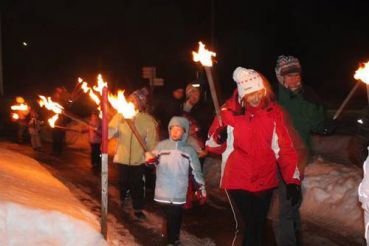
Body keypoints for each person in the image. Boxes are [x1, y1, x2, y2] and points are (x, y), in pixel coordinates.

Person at [206, 67, 301, 246]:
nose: (256, 98)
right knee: (248, 227)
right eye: (250, 95)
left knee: (257, 227)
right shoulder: (228, 113)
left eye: (258, 93)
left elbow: (284, 149)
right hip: (237, 179)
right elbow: (211, 146)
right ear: (242, 96)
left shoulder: (273, 114)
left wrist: (292, 181)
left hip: (265, 180)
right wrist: (219, 137)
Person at [273, 55, 331, 246]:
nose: (294, 79)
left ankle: (295, 233)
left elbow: (317, 123)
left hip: (301, 155)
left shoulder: (309, 94)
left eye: (296, 74)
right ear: (281, 78)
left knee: (294, 197)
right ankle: (287, 241)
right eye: (288, 76)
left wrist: (325, 124)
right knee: (286, 202)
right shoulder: (273, 97)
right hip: (280, 156)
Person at [145, 116, 206, 246]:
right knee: (169, 216)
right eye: (173, 129)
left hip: (179, 191)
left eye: (179, 129)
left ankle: (173, 239)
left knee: (176, 216)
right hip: (164, 190)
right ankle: (171, 239)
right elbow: (151, 163)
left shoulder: (189, 151)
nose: (175, 132)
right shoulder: (161, 146)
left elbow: (196, 171)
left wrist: (201, 187)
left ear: (184, 132)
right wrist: (150, 160)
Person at [108, 87, 158, 220]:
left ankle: (138, 208)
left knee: (137, 184)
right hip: (122, 158)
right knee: (123, 182)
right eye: (130, 100)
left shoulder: (148, 120)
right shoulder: (120, 116)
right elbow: (109, 132)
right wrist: (102, 130)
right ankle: (124, 197)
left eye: (135, 101)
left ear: (141, 104)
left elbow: (152, 141)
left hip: (138, 160)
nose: (132, 102)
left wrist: (151, 154)